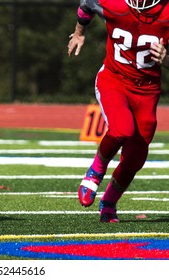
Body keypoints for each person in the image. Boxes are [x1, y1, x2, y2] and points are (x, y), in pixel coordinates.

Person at [68, 0, 169, 222]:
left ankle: (110, 202)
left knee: (136, 156)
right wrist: (79, 33)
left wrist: (167, 58)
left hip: (147, 91)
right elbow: (86, 5)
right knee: (122, 128)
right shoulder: (115, 4)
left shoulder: (166, 12)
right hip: (114, 80)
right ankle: (96, 171)